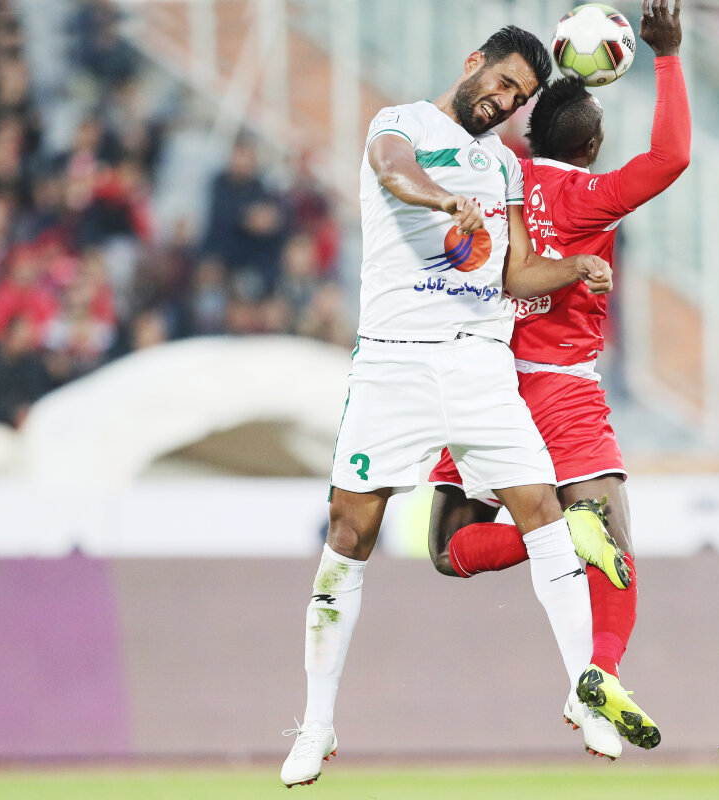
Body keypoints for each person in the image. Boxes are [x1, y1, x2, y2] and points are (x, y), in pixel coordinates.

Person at [279, 25, 621, 788]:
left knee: (543, 512)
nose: (504, 102)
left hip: (478, 363)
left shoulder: (505, 166)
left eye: (520, 98)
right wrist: (446, 201)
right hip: (394, 362)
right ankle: (317, 723)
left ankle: (584, 692)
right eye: (501, 83)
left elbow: (515, 272)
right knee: (350, 531)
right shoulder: (400, 123)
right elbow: (393, 171)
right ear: (473, 64)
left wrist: (574, 268)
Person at [425, 0, 689, 760]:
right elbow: (671, 156)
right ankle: (600, 669)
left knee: (449, 546)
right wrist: (667, 56)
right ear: (594, 145)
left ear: (526, 128)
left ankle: (546, 538)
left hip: (483, 381)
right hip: (563, 390)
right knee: (615, 542)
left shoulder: (494, 175)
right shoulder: (592, 196)